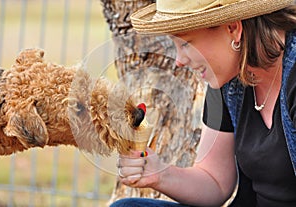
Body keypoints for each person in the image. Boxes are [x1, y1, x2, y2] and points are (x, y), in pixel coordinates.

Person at [110, 0, 296, 206]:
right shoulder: (229, 78)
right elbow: (214, 180)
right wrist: (159, 173)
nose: (179, 60)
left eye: (186, 44)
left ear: (233, 28)